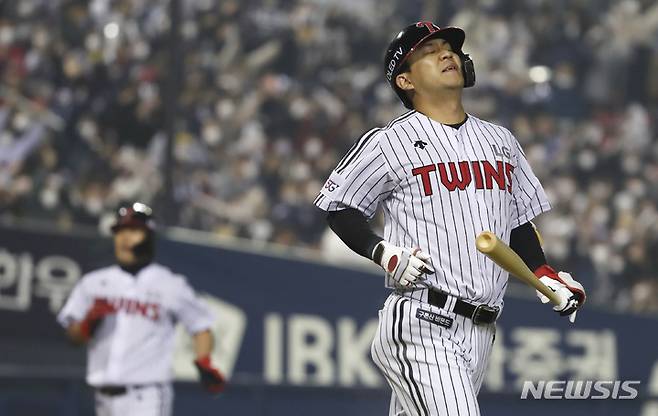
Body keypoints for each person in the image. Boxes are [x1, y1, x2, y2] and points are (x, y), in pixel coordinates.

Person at [314, 22, 586, 415]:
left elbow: (518, 223)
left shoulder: (500, 140)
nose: (446, 54)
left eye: (448, 48)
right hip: (422, 320)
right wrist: (382, 251)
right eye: (429, 51)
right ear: (405, 80)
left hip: (482, 331)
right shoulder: (389, 142)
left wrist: (544, 272)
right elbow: (338, 206)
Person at [57, 202, 225, 416]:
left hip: (147, 397)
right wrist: (87, 325)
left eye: (134, 231)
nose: (125, 238)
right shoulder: (94, 283)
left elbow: (201, 325)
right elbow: (72, 336)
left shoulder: (169, 283)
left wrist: (203, 360)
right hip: (102, 399)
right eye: (120, 231)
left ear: (149, 236)